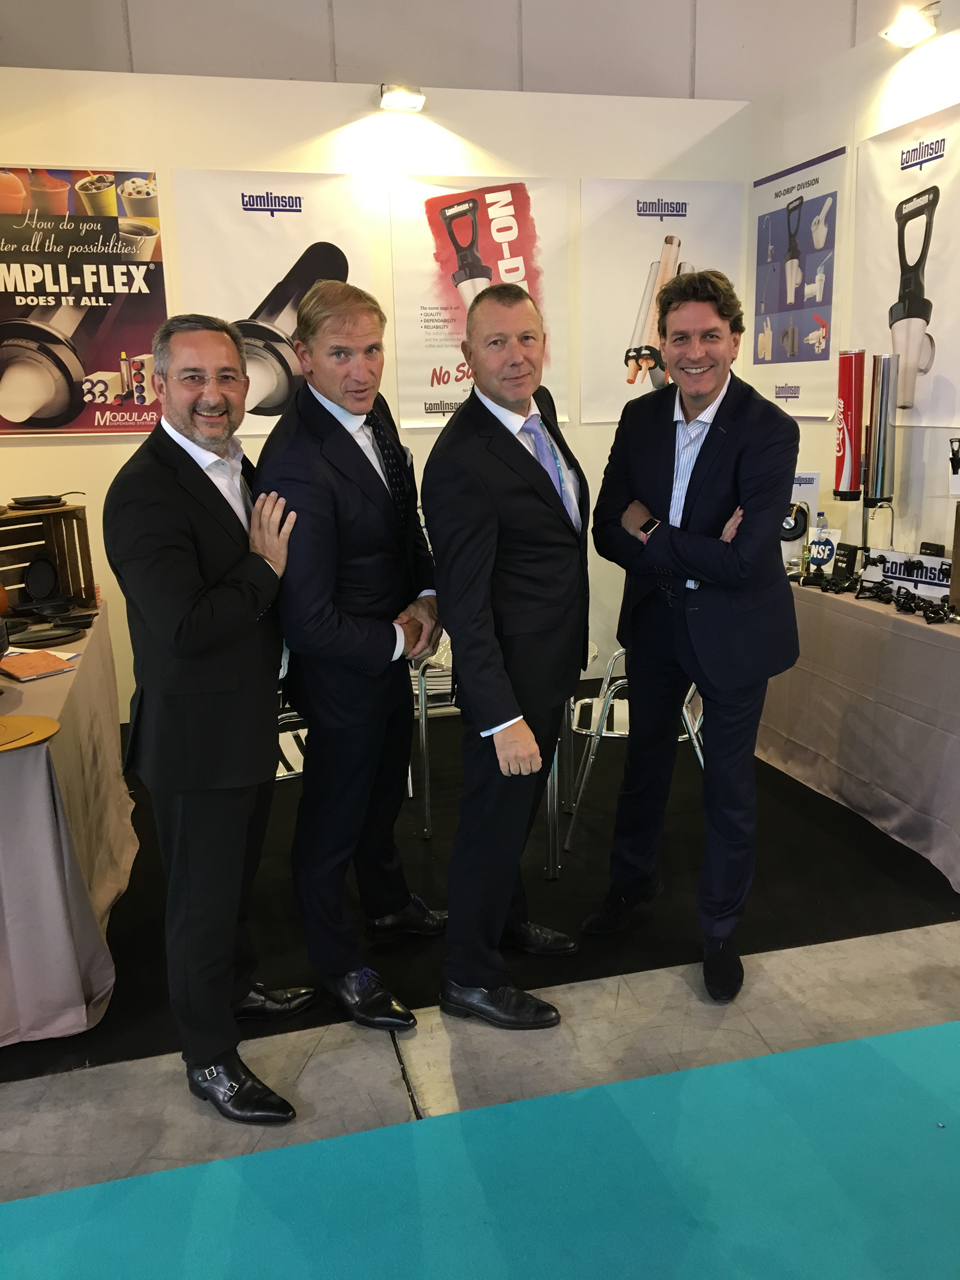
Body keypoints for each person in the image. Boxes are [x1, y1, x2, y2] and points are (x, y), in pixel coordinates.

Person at [103, 314, 315, 1127]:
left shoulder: (233, 463)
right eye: (192, 377)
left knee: (232, 885)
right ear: (159, 386)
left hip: (244, 720)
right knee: (198, 902)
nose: (213, 394)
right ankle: (210, 1059)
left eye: (227, 376)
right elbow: (186, 626)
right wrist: (264, 569)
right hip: (195, 740)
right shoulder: (143, 491)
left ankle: (236, 987)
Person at [585, 270, 800, 1003]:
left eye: (710, 336)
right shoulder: (640, 419)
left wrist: (652, 529)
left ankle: (719, 931)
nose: (695, 351)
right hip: (655, 621)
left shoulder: (769, 430)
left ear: (735, 341)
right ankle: (629, 887)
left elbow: (744, 562)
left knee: (728, 786)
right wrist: (693, 543)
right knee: (643, 766)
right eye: (680, 337)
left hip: (734, 633)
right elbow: (606, 527)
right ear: (662, 344)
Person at [254, 281, 444, 1034]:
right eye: (341, 354)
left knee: (381, 796)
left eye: (371, 350)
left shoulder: (372, 411)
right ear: (303, 357)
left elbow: (403, 519)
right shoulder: (297, 460)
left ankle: (389, 905)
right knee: (332, 821)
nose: (361, 370)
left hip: (388, 655)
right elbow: (307, 620)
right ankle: (337, 963)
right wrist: (400, 638)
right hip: (343, 671)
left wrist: (427, 597)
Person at [421, 282, 589, 1030]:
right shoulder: (462, 461)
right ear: (468, 356)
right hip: (509, 685)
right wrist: (499, 717)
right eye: (496, 343)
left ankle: (505, 920)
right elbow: (465, 605)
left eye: (527, 338)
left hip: (548, 664)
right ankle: (469, 974)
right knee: (491, 827)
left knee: (513, 817)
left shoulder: (535, 412)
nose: (516, 356)